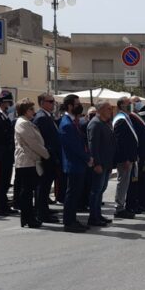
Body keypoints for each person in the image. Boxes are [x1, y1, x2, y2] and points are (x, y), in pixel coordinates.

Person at [14, 99, 48, 228]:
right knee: (27, 192)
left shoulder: (27, 122)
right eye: (31, 109)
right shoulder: (22, 123)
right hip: (27, 161)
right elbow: (32, 143)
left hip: (31, 160)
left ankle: (29, 217)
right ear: (25, 110)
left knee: (28, 191)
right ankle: (28, 218)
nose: (33, 112)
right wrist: (46, 154)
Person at [59, 94, 91, 233]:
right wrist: (87, 158)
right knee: (72, 194)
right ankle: (69, 222)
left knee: (75, 194)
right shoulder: (66, 124)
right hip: (74, 164)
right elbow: (74, 147)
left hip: (78, 164)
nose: (80, 106)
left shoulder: (73, 121)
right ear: (70, 106)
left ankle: (73, 219)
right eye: (77, 104)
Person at [33, 94, 61, 223]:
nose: (53, 104)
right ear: (42, 103)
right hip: (46, 157)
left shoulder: (47, 116)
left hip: (51, 155)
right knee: (43, 186)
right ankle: (42, 212)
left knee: (46, 185)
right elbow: (43, 140)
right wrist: (49, 155)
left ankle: (44, 208)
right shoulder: (41, 118)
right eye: (50, 102)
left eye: (53, 102)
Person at [87, 101, 115, 227]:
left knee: (101, 190)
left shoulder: (105, 123)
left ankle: (98, 214)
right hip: (100, 164)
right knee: (96, 191)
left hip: (107, 163)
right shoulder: (95, 124)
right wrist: (96, 163)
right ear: (101, 109)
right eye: (109, 109)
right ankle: (93, 217)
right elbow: (93, 146)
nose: (111, 111)